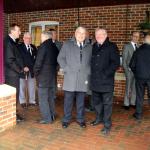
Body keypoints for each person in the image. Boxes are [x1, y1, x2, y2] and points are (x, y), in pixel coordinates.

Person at [57, 26, 92, 128]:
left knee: (81, 101)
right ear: (75, 34)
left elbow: (91, 62)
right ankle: (66, 119)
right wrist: (66, 69)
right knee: (68, 101)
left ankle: (80, 119)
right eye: (79, 33)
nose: (81, 35)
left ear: (85, 35)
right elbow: (60, 58)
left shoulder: (89, 47)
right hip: (70, 78)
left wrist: (88, 71)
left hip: (83, 78)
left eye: (83, 33)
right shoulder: (67, 45)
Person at [90, 28, 120, 135]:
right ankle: (99, 118)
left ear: (106, 35)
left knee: (107, 104)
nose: (98, 36)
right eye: (97, 34)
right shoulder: (93, 46)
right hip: (95, 81)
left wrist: (105, 73)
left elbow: (115, 63)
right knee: (97, 102)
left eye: (101, 34)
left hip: (106, 81)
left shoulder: (112, 46)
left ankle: (107, 124)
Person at [4, 23, 28, 122]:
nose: (20, 32)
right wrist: (20, 69)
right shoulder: (8, 42)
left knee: (15, 95)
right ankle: (13, 115)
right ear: (12, 31)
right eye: (18, 30)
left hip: (13, 73)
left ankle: (15, 114)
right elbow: (10, 60)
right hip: (11, 74)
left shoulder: (13, 41)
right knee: (14, 95)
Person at [34, 31, 59, 124]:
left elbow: (38, 62)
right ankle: (52, 115)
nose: (41, 39)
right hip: (52, 77)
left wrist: (36, 73)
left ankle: (47, 118)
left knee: (43, 99)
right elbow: (58, 62)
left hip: (43, 78)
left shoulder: (43, 46)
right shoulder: (54, 47)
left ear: (45, 37)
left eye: (41, 37)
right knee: (50, 98)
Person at [129, 32, 150, 121]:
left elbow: (131, 65)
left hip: (140, 77)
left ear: (144, 40)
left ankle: (138, 114)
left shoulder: (138, 50)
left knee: (139, 96)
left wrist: (137, 73)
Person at [122, 31, 140, 110]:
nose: (136, 38)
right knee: (128, 87)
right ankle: (126, 103)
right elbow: (124, 60)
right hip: (129, 71)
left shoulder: (139, 47)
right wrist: (126, 71)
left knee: (135, 87)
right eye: (134, 36)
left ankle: (133, 102)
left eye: (137, 36)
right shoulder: (127, 46)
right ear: (131, 36)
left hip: (137, 72)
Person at [19, 32, 37, 108]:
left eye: (30, 38)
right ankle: (22, 101)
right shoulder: (19, 47)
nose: (28, 39)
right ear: (23, 38)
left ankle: (32, 101)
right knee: (22, 86)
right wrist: (23, 67)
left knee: (32, 86)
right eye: (27, 38)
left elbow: (36, 58)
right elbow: (18, 59)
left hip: (32, 70)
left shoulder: (33, 47)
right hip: (23, 70)